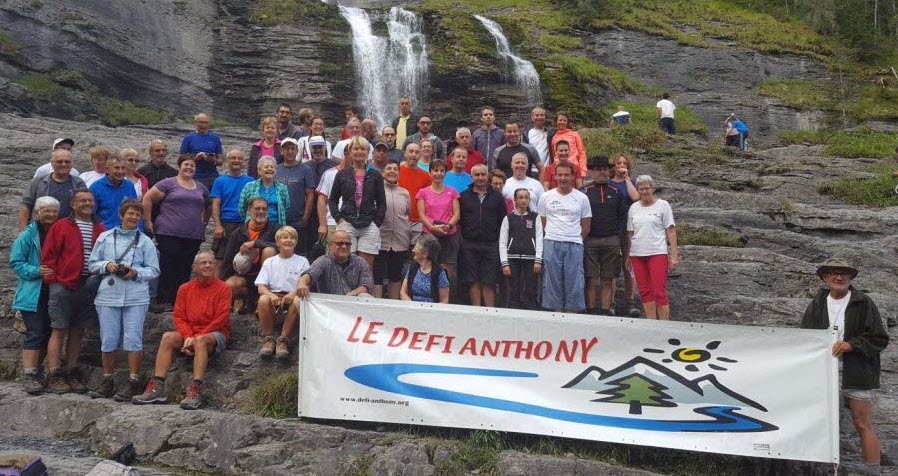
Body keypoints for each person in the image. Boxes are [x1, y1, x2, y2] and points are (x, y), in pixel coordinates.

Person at [801, 258, 889, 476]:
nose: (839, 277)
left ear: (850, 277)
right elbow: (805, 337)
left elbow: (879, 338)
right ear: (825, 277)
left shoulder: (863, 302)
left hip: (856, 372)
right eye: (833, 273)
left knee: (862, 423)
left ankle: (873, 472)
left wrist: (851, 345)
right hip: (822, 373)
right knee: (815, 422)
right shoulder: (817, 304)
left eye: (844, 273)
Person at [132, 252, 231, 410]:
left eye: (210, 263)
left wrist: (195, 337)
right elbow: (179, 316)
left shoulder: (223, 288)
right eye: (203, 263)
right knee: (167, 337)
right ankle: (157, 387)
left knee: (200, 341)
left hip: (214, 334)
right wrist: (188, 336)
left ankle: (196, 390)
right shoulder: (184, 288)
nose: (208, 266)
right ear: (195, 267)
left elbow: (221, 318)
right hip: (190, 333)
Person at [86, 200, 159, 401]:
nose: (133, 217)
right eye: (130, 213)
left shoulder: (145, 241)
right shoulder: (105, 237)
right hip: (108, 294)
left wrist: (136, 272)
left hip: (136, 295)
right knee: (108, 338)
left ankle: (133, 381)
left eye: (137, 214)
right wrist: (107, 265)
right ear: (121, 215)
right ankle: (107, 380)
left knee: (133, 338)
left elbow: (154, 270)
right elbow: (92, 264)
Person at [41, 189, 105, 394]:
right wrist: (53, 280)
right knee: (59, 329)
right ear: (73, 204)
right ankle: (54, 373)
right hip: (63, 285)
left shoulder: (100, 228)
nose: (87, 204)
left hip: (88, 286)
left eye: (90, 200)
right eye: (82, 201)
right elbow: (48, 254)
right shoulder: (61, 226)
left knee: (78, 331)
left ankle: (71, 371)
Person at [142, 155, 211, 308]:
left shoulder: (201, 187)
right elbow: (147, 198)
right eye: (186, 164)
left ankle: (180, 300)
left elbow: (209, 205)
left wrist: (204, 222)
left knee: (185, 267)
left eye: (192, 166)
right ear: (180, 166)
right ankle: (164, 300)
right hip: (168, 232)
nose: (189, 168)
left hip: (192, 235)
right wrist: (148, 221)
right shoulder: (168, 183)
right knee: (167, 266)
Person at [10, 196, 60, 395]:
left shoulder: (59, 231)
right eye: (46, 210)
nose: (50, 214)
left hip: (53, 290)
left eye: (54, 211)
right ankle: (29, 374)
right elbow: (16, 262)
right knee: (36, 332)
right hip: (32, 292)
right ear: (38, 213)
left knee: (49, 332)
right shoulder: (27, 235)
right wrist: (36, 271)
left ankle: (37, 371)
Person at [539, 163, 592, 313]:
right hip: (551, 242)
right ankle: (556, 311)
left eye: (566, 175)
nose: (563, 178)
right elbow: (542, 222)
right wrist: (554, 234)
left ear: (573, 176)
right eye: (560, 175)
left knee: (574, 279)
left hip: (574, 243)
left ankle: (572, 311)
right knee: (552, 279)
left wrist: (573, 236)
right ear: (555, 176)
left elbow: (586, 226)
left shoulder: (582, 198)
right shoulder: (545, 197)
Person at [329, 137, 386, 269]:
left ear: (368, 152)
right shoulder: (342, 174)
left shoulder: (375, 175)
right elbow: (332, 200)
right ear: (350, 151)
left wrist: (377, 222)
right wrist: (338, 218)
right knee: (345, 264)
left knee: (366, 267)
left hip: (369, 225)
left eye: (363, 149)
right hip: (347, 223)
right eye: (356, 148)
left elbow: (382, 202)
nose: (359, 151)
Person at [626, 175, 678, 320]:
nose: (644, 192)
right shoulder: (633, 208)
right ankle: (651, 322)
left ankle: (664, 323)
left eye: (647, 188)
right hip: (637, 254)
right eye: (641, 189)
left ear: (652, 188)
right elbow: (630, 233)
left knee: (659, 291)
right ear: (637, 190)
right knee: (644, 291)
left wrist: (674, 255)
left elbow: (671, 231)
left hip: (657, 252)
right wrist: (629, 254)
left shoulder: (663, 205)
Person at [582, 156, 628, 315]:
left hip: (611, 240)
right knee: (591, 278)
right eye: (597, 169)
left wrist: (619, 238)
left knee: (608, 278)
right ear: (592, 171)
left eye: (604, 169)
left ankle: (605, 311)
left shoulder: (616, 191)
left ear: (609, 171)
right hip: (590, 240)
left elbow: (622, 217)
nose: (601, 172)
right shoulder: (584, 191)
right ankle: (591, 310)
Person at [255, 226, 309, 359]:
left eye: (292, 238)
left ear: (296, 242)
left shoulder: (303, 261)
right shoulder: (270, 262)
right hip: (274, 296)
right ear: (277, 242)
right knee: (263, 299)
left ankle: (283, 339)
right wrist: (271, 295)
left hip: (293, 295)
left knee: (298, 300)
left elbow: (306, 284)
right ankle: (268, 338)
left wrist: (293, 294)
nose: (289, 240)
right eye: (285, 237)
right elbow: (261, 286)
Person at [458, 164, 506, 307]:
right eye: (477, 175)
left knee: (489, 280)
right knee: (472, 280)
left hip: (491, 244)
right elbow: (460, 220)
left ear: (487, 176)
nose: (480, 178)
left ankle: (489, 312)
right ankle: (476, 311)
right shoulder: (463, 196)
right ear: (471, 177)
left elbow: (502, 220)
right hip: (469, 243)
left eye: (483, 174)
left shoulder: (497, 197)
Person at [219, 197, 278, 313]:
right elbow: (228, 261)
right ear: (249, 210)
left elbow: (283, 247)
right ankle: (243, 301)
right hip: (246, 276)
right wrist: (222, 285)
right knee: (230, 284)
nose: (261, 211)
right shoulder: (238, 233)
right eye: (257, 208)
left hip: (269, 279)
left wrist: (256, 243)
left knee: (269, 251)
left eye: (264, 209)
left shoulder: (276, 229)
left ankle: (262, 302)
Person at [417, 159, 461, 289]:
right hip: (428, 235)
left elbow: (457, 214)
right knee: (426, 267)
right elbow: (421, 215)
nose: (438, 173)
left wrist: (448, 226)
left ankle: (443, 296)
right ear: (430, 172)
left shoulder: (452, 192)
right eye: (435, 170)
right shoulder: (423, 192)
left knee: (445, 272)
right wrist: (432, 227)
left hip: (449, 234)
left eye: (442, 171)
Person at [18, 149, 86, 232]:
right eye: (60, 161)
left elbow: (84, 208)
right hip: (41, 231)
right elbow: (26, 206)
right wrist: (23, 232)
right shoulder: (38, 182)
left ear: (72, 164)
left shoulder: (79, 183)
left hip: (69, 231)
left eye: (67, 162)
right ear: (52, 163)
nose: (64, 164)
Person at [211, 150, 255, 274]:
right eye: (233, 158)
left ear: (243, 162)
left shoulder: (251, 182)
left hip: (245, 224)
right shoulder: (219, 181)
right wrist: (217, 225)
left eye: (239, 158)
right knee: (220, 260)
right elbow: (215, 204)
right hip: (226, 224)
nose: (236, 161)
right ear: (227, 161)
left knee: (243, 260)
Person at [608, 153, 641, 316]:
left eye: (624, 163)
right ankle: (611, 303)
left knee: (629, 266)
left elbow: (635, 197)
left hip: (628, 229)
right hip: (613, 228)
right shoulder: (608, 183)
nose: (621, 166)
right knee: (612, 268)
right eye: (618, 163)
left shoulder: (632, 183)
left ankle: (630, 301)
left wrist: (626, 178)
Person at [499, 189, 543, 310]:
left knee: (531, 289)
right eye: (520, 197)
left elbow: (539, 239)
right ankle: (513, 312)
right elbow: (502, 242)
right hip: (512, 259)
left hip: (531, 259)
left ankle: (532, 311)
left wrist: (538, 260)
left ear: (529, 199)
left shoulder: (535, 217)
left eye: (526, 197)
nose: (524, 200)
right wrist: (505, 263)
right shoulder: (508, 218)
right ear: (515, 200)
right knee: (514, 289)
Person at [296, 230, 374, 297]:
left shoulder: (360, 262)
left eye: (347, 244)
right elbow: (309, 274)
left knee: (365, 296)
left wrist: (352, 293)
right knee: (298, 300)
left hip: (353, 303)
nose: (344, 247)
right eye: (340, 243)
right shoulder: (323, 261)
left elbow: (366, 285)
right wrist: (302, 284)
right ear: (330, 245)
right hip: (328, 304)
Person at [375, 162, 412, 299]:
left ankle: (393, 304)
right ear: (382, 172)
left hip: (399, 240)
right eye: (389, 168)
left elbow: (407, 213)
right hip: (380, 240)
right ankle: (376, 304)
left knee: (395, 275)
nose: (392, 171)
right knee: (377, 275)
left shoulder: (405, 193)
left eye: (395, 169)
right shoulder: (376, 191)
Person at [275, 138, 316, 254]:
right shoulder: (276, 169)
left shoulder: (305, 169)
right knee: (279, 251)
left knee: (298, 252)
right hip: (279, 218)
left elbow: (310, 195)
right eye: (286, 149)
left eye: (293, 148)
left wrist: (305, 218)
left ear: (297, 151)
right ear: (281, 151)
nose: (290, 151)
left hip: (298, 218)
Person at [239, 156, 290, 227]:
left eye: (272, 167)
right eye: (266, 167)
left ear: (275, 171)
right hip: (255, 227)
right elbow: (242, 208)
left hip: (276, 227)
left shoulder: (282, 188)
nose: (269, 169)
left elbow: (286, 208)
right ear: (259, 171)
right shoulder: (249, 186)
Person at [90, 155, 138, 230]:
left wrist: (139, 229)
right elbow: (92, 214)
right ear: (107, 169)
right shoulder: (95, 187)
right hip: (105, 232)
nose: (120, 171)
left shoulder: (129, 186)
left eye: (123, 168)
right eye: (116, 168)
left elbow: (136, 209)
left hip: (128, 231)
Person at [179, 113, 224, 190]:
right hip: (195, 176)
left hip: (213, 176)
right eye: (201, 122)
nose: (203, 125)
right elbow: (180, 159)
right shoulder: (188, 138)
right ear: (195, 123)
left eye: (206, 123)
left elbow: (221, 161)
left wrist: (214, 160)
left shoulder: (215, 138)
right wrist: (196, 158)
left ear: (209, 124)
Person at [398, 143, 432, 245]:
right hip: (399, 220)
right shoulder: (396, 171)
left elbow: (429, 199)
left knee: (415, 251)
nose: (413, 154)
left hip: (418, 221)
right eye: (411, 151)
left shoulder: (426, 176)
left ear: (420, 155)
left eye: (417, 152)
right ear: (405, 153)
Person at [401, 234, 450, 303]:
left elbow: (444, 301)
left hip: (432, 308)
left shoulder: (440, 274)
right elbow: (403, 293)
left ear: (425, 254)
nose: (413, 250)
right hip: (412, 307)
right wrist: (413, 306)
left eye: (416, 248)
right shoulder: (412, 268)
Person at [550, 112, 587, 181]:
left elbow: (582, 153)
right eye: (560, 120)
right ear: (556, 121)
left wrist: (582, 171)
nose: (562, 122)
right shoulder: (554, 137)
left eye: (565, 120)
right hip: (558, 171)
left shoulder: (575, 134)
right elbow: (554, 155)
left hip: (574, 169)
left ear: (567, 122)